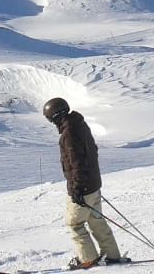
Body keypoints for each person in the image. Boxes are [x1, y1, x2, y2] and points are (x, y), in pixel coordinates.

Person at [42, 98, 129, 270]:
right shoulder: (80, 125)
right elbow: (92, 153)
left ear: (56, 116)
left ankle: (88, 259)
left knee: (75, 224)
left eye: (51, 119)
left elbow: (77, 162)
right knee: (96, 220)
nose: (52, 123)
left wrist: (77, 189)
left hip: (83, 187)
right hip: (93, 185)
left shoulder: (69, 134)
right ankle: (112, 256)